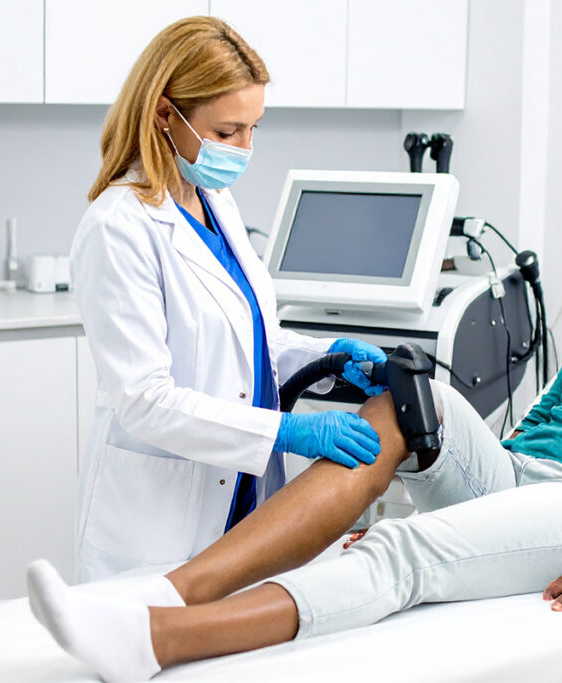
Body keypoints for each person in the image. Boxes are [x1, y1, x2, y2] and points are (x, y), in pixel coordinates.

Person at [29, 151, 562, 682]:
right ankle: (171, 591)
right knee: (399, 405)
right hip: (526, 473)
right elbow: (540, 419)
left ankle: (158, 641)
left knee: (405, 550)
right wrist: (452, 478)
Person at [72, 16, 388, 583]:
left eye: (253, 129)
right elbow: (144, 399)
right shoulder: (118, 226)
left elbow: (246, 339)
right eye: (225, 133)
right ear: (165, 115)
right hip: (165, 519)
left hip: (244, 496)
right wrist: (284, 431)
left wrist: (326, 360)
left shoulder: (215, 203)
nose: (244, 149)